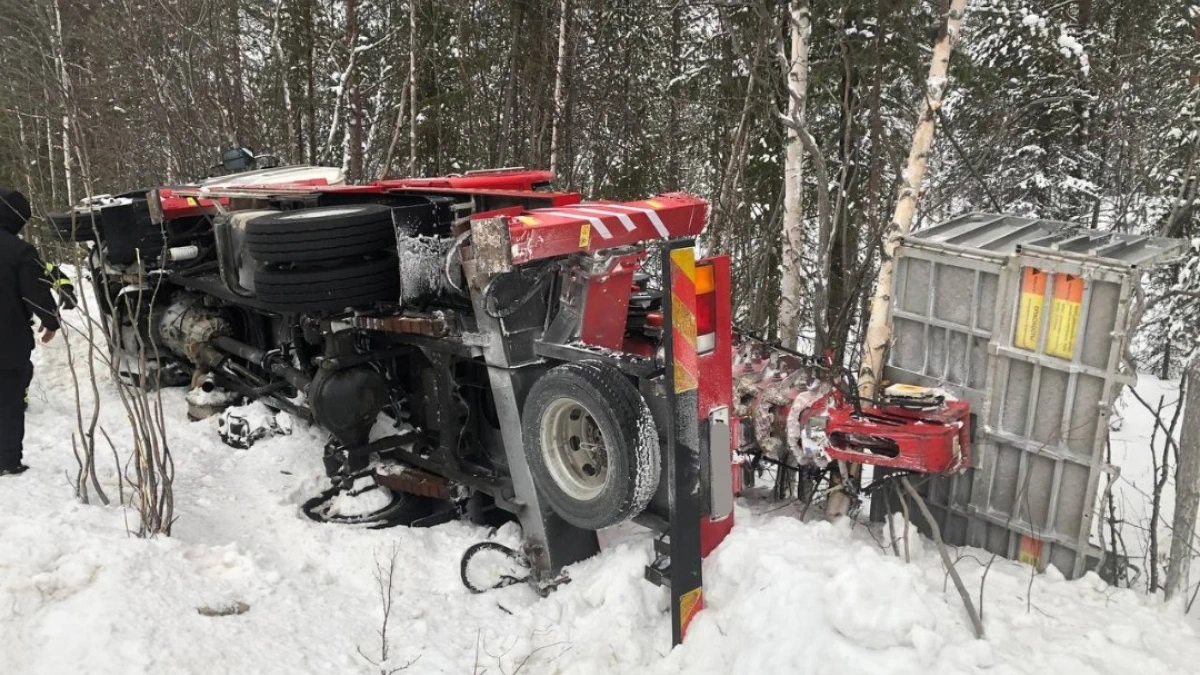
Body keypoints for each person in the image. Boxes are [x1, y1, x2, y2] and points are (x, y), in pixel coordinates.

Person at [0, 187, 59, 476]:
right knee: (9, 399)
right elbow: (35, 291)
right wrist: (50, 320)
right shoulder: (20, 251)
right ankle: (7, 460)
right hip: (8, 341)